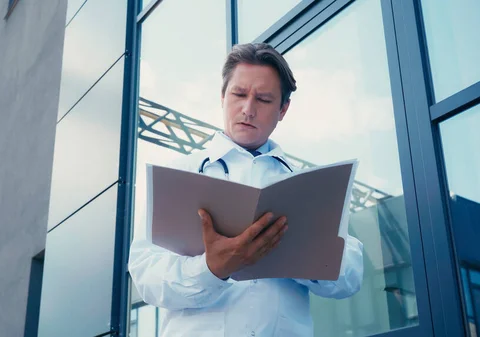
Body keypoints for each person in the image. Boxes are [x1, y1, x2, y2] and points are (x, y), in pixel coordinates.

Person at [128, 43, 364, 337]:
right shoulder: (178, 175)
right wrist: (211, 268)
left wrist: (300, 253)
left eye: (264, 99)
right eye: (239, 94)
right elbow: (146, 276)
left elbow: (352, 276)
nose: (248, 110)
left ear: (283, 110)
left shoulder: (309, 188)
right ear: (223, 97)